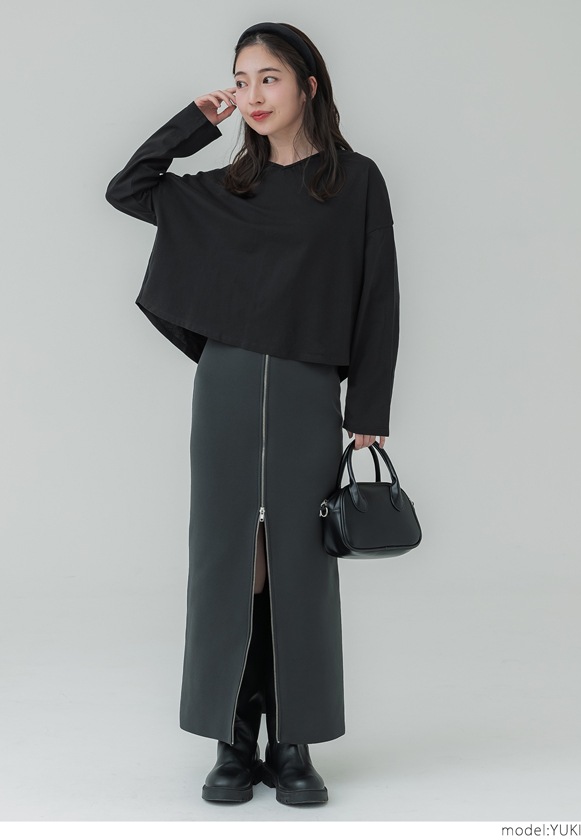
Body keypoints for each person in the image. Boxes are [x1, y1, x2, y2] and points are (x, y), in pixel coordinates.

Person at [105, 21, 400, 807]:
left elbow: (378, 294)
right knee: (226, 559)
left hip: (308, 389)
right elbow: (128, 188)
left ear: (308, 85)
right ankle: (233, 738)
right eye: (242, 80)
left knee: (301, 559)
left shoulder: (356, 182)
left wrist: (368, 407)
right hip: (227, 386)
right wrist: (194, 121)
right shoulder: (227, 188)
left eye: (269, 77)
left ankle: (294, 742)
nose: (254, 94)